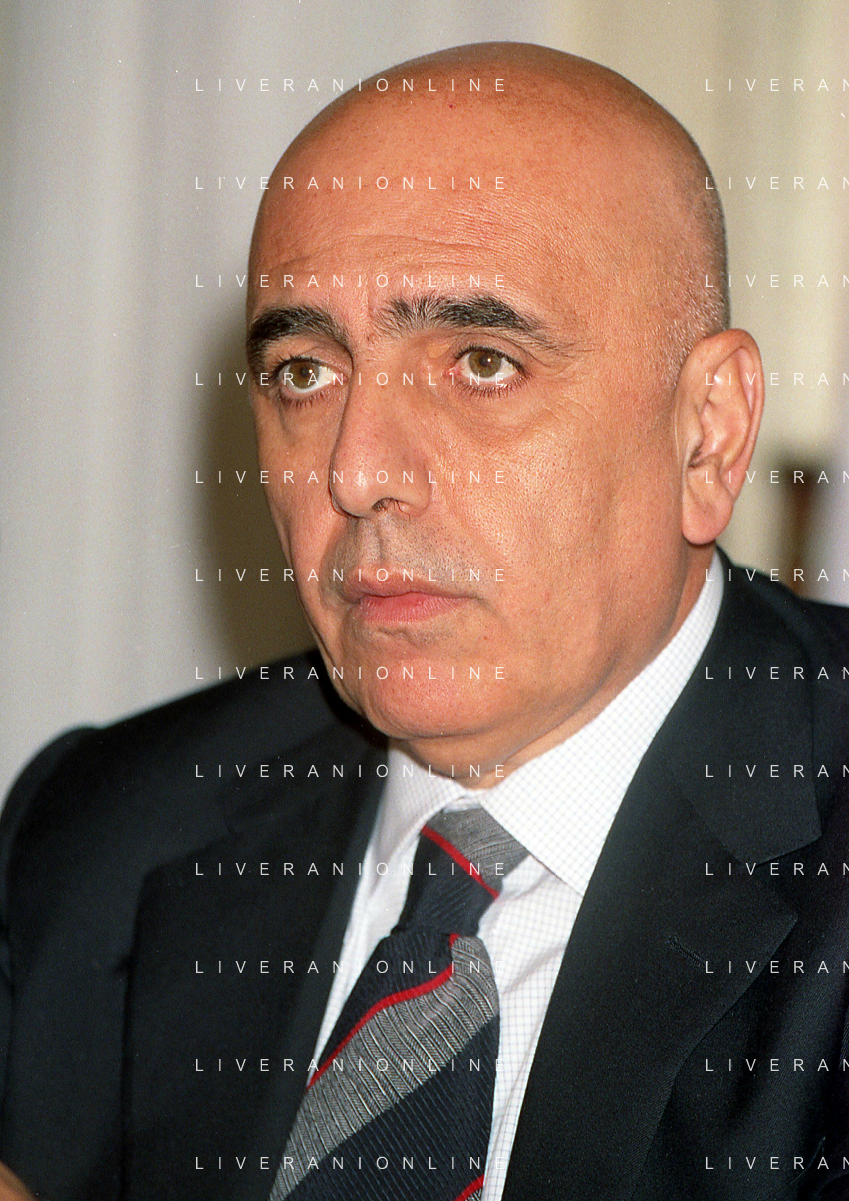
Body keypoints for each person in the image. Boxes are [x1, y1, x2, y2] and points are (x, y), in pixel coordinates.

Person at [1, 41, 847, 1201]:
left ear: (708, 433)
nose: (356, 471)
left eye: (482, 362)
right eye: (305, 373)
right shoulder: (100, 831)